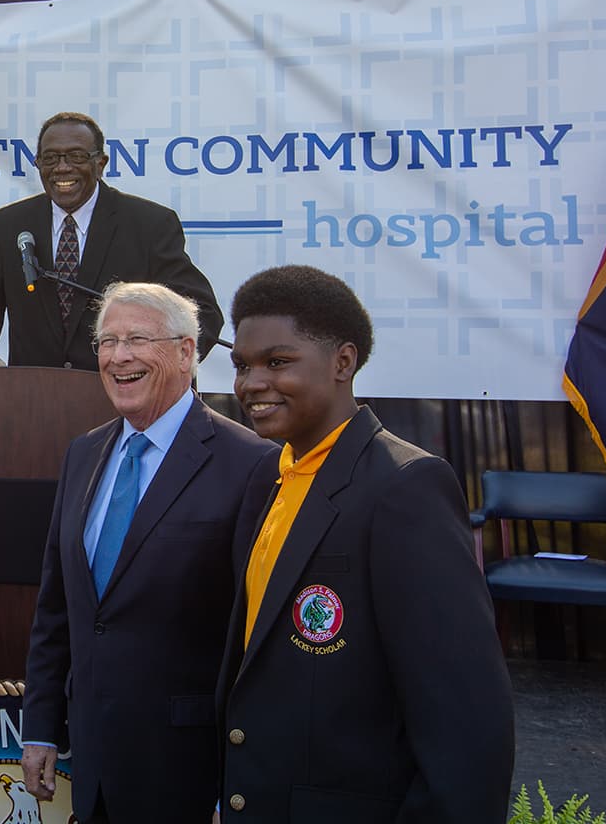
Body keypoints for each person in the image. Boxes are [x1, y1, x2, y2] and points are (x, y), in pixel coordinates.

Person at [217, 265, 514, 823]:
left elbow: (467, 721)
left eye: (277, 362)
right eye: (242, 365)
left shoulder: (406, 487)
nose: (252, 383)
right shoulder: (266, 478)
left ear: (343, 362)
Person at [21, 282, 277, 822]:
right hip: (92, 763)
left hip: (189, 769)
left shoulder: (252, 465)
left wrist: (239, 780)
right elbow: (58, 608)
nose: (119, 356)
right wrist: (41, 727)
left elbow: (257, 639)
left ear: (187, 351)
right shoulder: (83, 453)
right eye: (107, 342)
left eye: (138, 338)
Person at [0, 111, 222, 371]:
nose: (62, 168)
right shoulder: (8, 226)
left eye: (76, 156)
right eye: (51, 158)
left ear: (100, 163)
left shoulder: (149, 224)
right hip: (34, 405)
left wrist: (160, 368)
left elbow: (202, 314)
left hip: (123, 402)